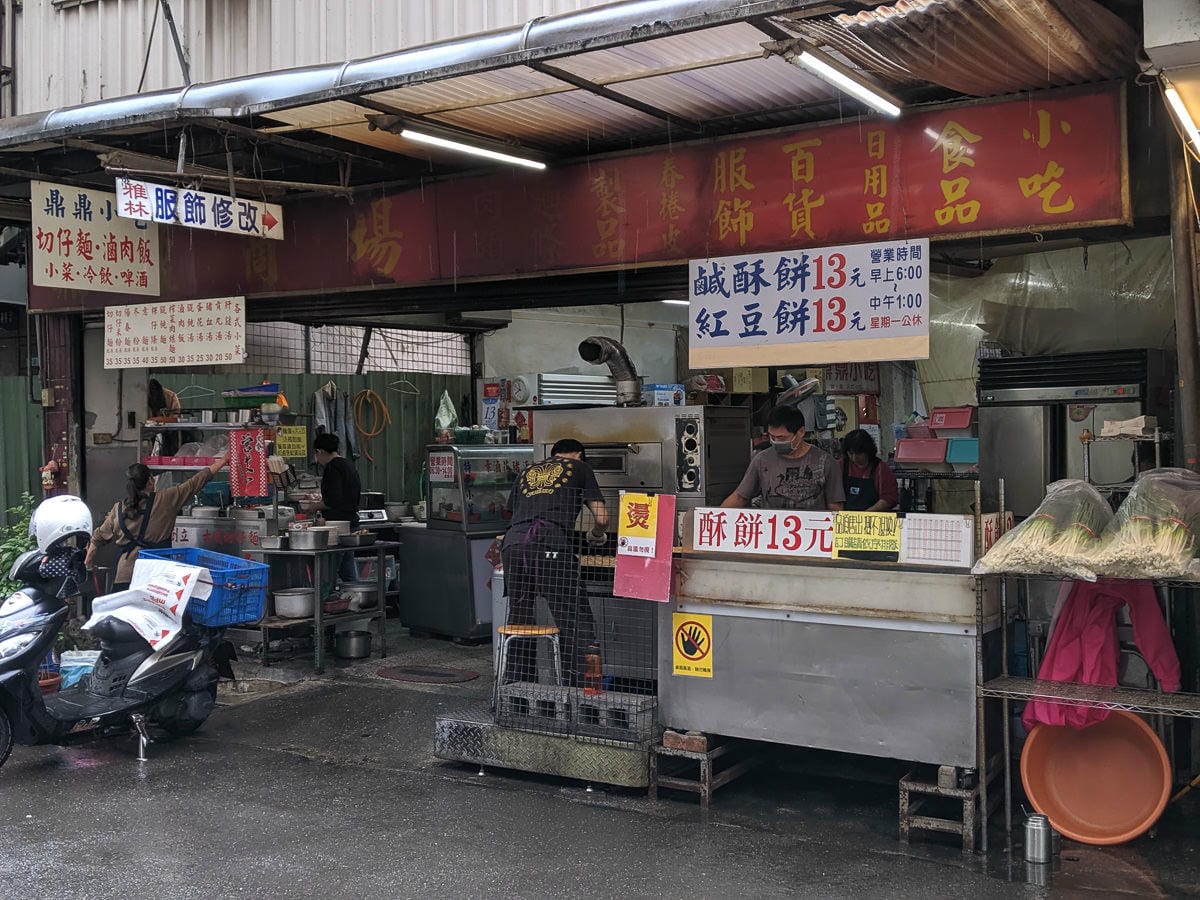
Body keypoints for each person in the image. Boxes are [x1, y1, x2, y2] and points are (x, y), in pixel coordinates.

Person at [501, 438, 608, 687]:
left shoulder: (527, 470)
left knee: (520, 619)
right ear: (579, 454)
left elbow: (510, 513)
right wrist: (595, 535)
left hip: (513, 545)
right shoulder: (581, 468)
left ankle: (518, 689)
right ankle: (579, 690)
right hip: (549, 543)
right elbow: (602, 517)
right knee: (573, 618)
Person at [85, 453, 229, 591]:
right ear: (150, 481)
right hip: (157, 576)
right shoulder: (166, 499)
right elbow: (195, 482)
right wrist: (223, 460)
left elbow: (97, 538)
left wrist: (88, 563)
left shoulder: (118, 508)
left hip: (125, 577)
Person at [722, 405, 845, 511]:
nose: (776, 442)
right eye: (772, 437)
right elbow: (740, 497)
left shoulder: (825, 462)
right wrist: (715, 518)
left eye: (782, 438)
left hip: (812, 533)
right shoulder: (762, 460)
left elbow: (835, 507)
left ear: (801, 432)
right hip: (771, 532)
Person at [313, 433, 361, 583]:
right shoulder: (348, 465)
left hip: (337, 527)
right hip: (352, 524)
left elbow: (332, 501)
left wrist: (311, 507)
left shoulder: (332, 468)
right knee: (348, 570)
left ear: (319, 452)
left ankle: (328, 601)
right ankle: (355, 599)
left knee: (329, 572)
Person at [840, 428, 899, 512]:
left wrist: (866, 515)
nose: (854, 458)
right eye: (851, 453)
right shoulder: (841, 466)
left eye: (858, 453)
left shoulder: (880, 468)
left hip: (873, 517)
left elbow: (889, 498)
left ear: (867, 451)